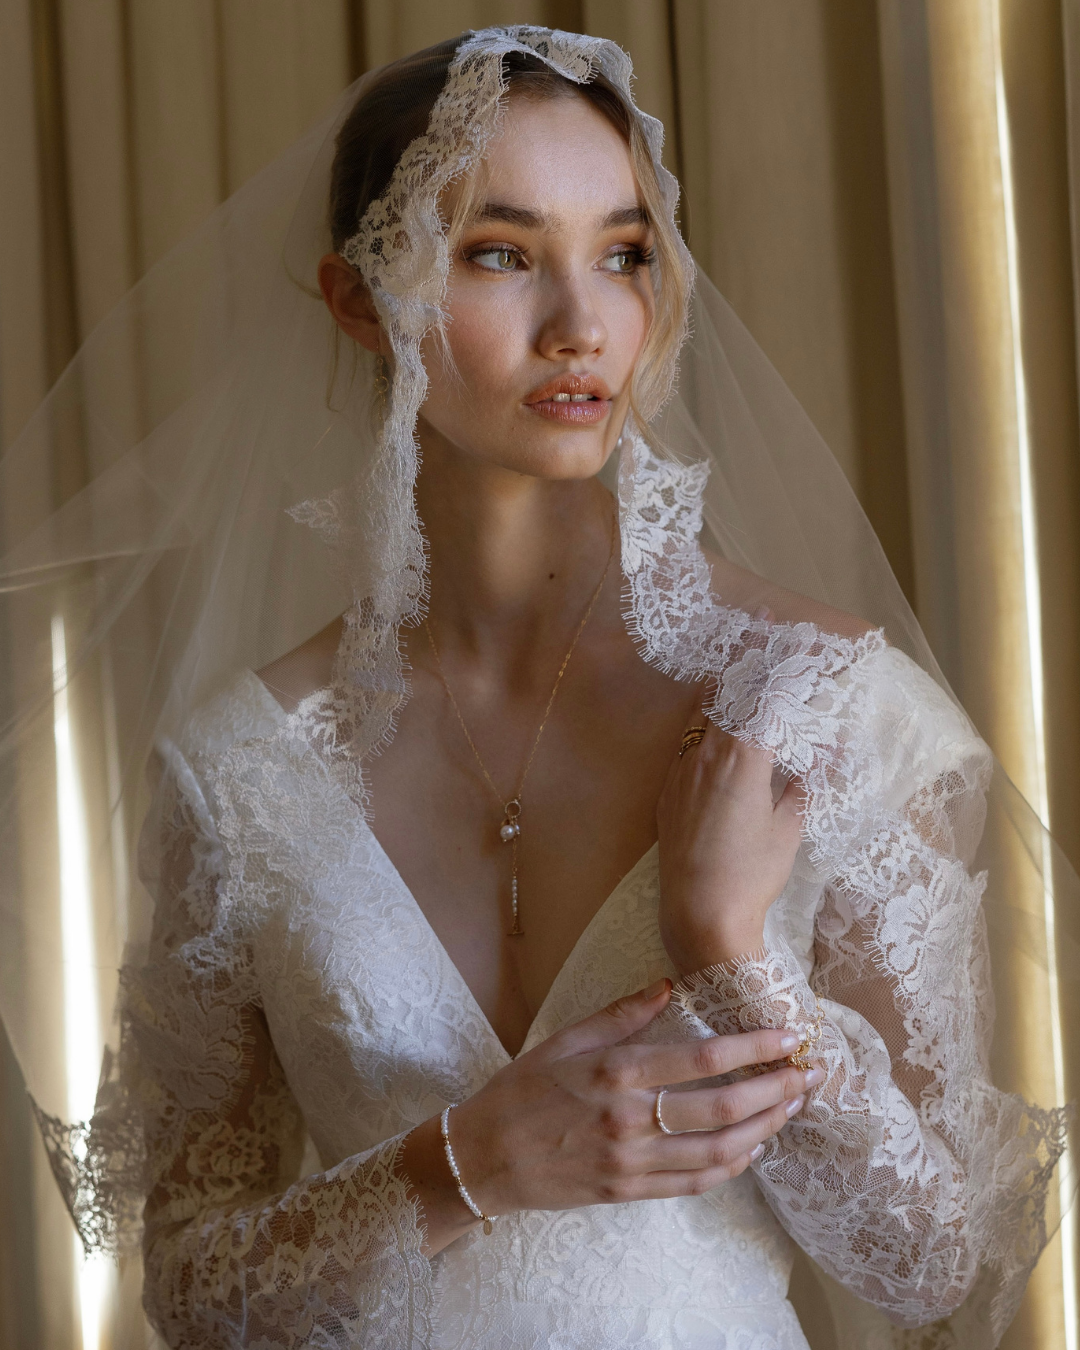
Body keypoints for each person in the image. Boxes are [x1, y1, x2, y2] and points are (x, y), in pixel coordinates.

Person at [3, 25, 1070, 1350]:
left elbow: (935, 1259)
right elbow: (191, 1286)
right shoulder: (244, 769)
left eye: (624, 254)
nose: (582, 324)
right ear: (357, 300)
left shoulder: (828, 708)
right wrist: (469, 1162)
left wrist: (732, 959)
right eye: (500, 254)